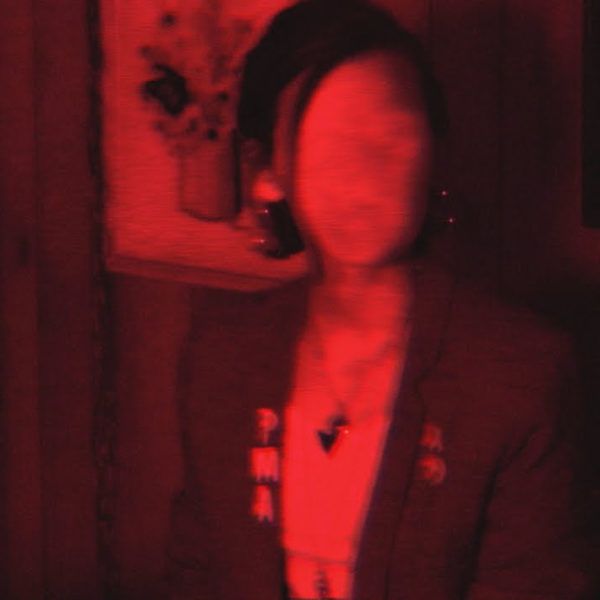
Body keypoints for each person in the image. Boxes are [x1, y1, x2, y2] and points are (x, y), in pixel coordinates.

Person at [166, 1, 595, 599]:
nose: (362, 174)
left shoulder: (518, 375)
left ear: (433, 152)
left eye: (390, 137)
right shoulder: (223, 355)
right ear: (270, 171)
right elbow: (196, 572)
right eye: (329, 142)